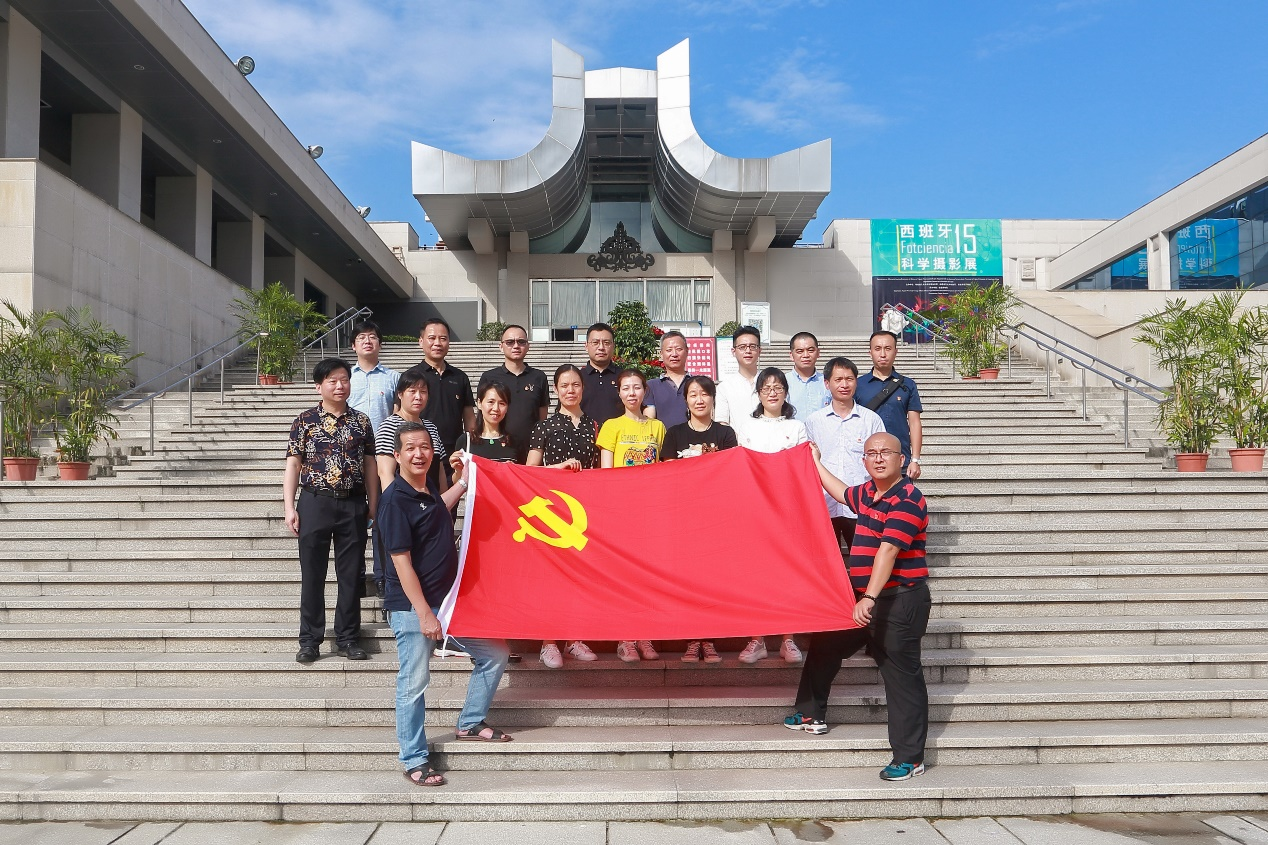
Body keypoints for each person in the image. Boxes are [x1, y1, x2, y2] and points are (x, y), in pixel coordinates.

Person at [784, 432, 931, 784]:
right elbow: (841, 492)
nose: (879, 459)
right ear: (864, 460)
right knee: (826, 644)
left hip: (899, 601)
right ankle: (810, 714)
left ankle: (910, 759)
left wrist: (868, 598)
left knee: (901, 678)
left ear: (902, 458)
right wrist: (814, 462)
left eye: (886, 453)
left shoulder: (908, 499)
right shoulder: (868, 493)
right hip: (864, 598)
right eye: (871, 453)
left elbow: (889, 551)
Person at [379, 421, 512, 788]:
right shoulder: (395, 501)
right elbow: (400, 561)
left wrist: (466, 479)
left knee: (495, 654)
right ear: (397, 456)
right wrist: (423, 613)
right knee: (414, 682)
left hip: (450, 604)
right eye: (410, 448)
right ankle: (414, 758)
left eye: (424, 446)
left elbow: (441, 506)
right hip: (413, 608)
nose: (419, 453)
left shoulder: (427, 494)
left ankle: (469, 723)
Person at [284, 358, 380, 664]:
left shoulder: (362, 422)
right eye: (332, 381)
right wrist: (289, 506)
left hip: (352, 503)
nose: (340, 386)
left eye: (344, 380)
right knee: (312, 574)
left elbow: (370, 465)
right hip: (314, 501)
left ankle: (348, 638)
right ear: (319, 386)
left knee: (350, 574)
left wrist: (374, 503)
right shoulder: (305, 421)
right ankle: (310, 640)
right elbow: (293, 464)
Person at [527, 364, 600, 669]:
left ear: (583, 388)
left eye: (575, 385)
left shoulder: (593, 425)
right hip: (553, 510)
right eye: (564, 385)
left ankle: (574, 637)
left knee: (579, 577)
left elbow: (599, 467)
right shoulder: (544, 426)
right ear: (556, 390)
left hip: (584, 512)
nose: (570, 390)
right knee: (551, 578)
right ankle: (548, 642)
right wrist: (559, 468)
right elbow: (528, 471)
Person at [735, 367, 808, 665]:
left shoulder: (798, 426)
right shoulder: (746, 427)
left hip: (789, 509)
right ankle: (757, 638)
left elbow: (802, 468)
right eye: (766, 388)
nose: (773, 392)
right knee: (757, 575)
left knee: (788, 574)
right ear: (759, 393)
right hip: (755, 510)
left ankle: (788, 638)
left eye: (778, 387)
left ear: (786, 392)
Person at [660, 374, 735, 664]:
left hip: (715, 516)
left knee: (711, 580)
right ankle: (692, 639)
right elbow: (667, 474)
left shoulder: (725, 435)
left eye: (704, 394)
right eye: (693, 394)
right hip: (683, 517)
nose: (699, 399)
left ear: (713, 399)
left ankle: (710, 638)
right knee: (689, 580)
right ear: (686, 400)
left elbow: (728, 472)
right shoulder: (675, 433)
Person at [596, 368, 665, 663]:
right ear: (619, 393)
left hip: (650, 509)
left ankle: (646, 635)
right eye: (626, 388)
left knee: (647, 575)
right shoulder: (612, 426)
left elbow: (661, 468)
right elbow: (606, 472)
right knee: (623, 576)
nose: (632, 393)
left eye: (637, 387)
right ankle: (625, 638)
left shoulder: (658, 427)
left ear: (644, 391)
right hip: (622, 509)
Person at [373, 368, 449, 598]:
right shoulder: (389, 426)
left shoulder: (431, 428)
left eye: (423, 392)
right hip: (403, 508)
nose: (418, 397)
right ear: (400, 394)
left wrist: (444, 504)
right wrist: (396, 508)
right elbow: (385, 472)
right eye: (412, 391)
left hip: (430, 506)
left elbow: (440, 470)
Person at [804, 357, 886, 562]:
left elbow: (882, 459)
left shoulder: (871, 420)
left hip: (861, 505)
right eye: (838, 379)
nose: (844, 384)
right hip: (825, 504)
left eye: (849, 379)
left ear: (856, 382)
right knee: (826, 563)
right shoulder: (814, 421)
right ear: (827, 383)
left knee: (864, 561)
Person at [856, 331, 924, 480]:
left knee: (901, 502)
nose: (882, 354)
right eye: (877, 348)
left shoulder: (908, 385)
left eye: (888, 348)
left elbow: (914, 423)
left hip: (899, 458)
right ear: (870, 352)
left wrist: (915, 460)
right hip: (867, 459)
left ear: (895, 352)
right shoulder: (857, 385)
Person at [480, 324, 549, 463]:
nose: (516, 346)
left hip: (531, 453)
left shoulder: (539, 377)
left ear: (528, 346)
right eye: (510, 342)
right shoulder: (489, 377)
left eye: (521, 342)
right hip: (500, 451)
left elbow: (542, 418)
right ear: (501, 346)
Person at [418, 318, 475, 455]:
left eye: (443, 338)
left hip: (455, 451)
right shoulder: (411, 377)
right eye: (432, 338)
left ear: (449, 342)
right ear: (421, 342)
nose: (437, 343)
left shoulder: (460, 377)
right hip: (421, 450)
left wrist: (471, 447)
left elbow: (469, 419)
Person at [450, 380, 518, 468]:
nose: (496, 408)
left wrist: (512, 470)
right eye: (491, 402)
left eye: (502, 403)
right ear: (479, 403)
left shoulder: (513, 442)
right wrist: (457, 469)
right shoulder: (466, 440)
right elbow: (458, 479)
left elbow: (521, 477)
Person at [348, 318, 399, 433]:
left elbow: (399, 411)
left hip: (384, 443)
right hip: (352, 443)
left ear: (380, 344)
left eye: (372, 337)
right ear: (353, 346)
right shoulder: (346, 377)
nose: (367, 341)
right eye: (361, 337)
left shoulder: (394, 377)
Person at [714, 325, 762, 443]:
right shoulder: (724, 387)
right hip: (739, 448)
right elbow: (722, 422)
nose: (748, 351)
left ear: (759, 350)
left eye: (753, 346)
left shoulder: (771, 383)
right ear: (733, 351)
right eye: (742, 347)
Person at [644, 330, 692, 428]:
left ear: (687, 351)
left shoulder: (698, 384)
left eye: (679, 349)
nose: (674, 354)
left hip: (694, 442)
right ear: (661, 354)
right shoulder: (651, 386)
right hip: (663, 441)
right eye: (669, 350)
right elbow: (649, 421)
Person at [579, 322, 624, 424]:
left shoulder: (624, 377)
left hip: (618, 437)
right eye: (595, 343)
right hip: (583, 437)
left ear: (613, 346)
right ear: (586, 346)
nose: (601, 347)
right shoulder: (577, 378)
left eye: (606, 343)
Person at [785, 331, 830, 421]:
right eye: (800, 351)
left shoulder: (827, 382)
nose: (805, 355)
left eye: (810, 350)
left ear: (818, 353)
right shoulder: (783, 382)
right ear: (791, 355)